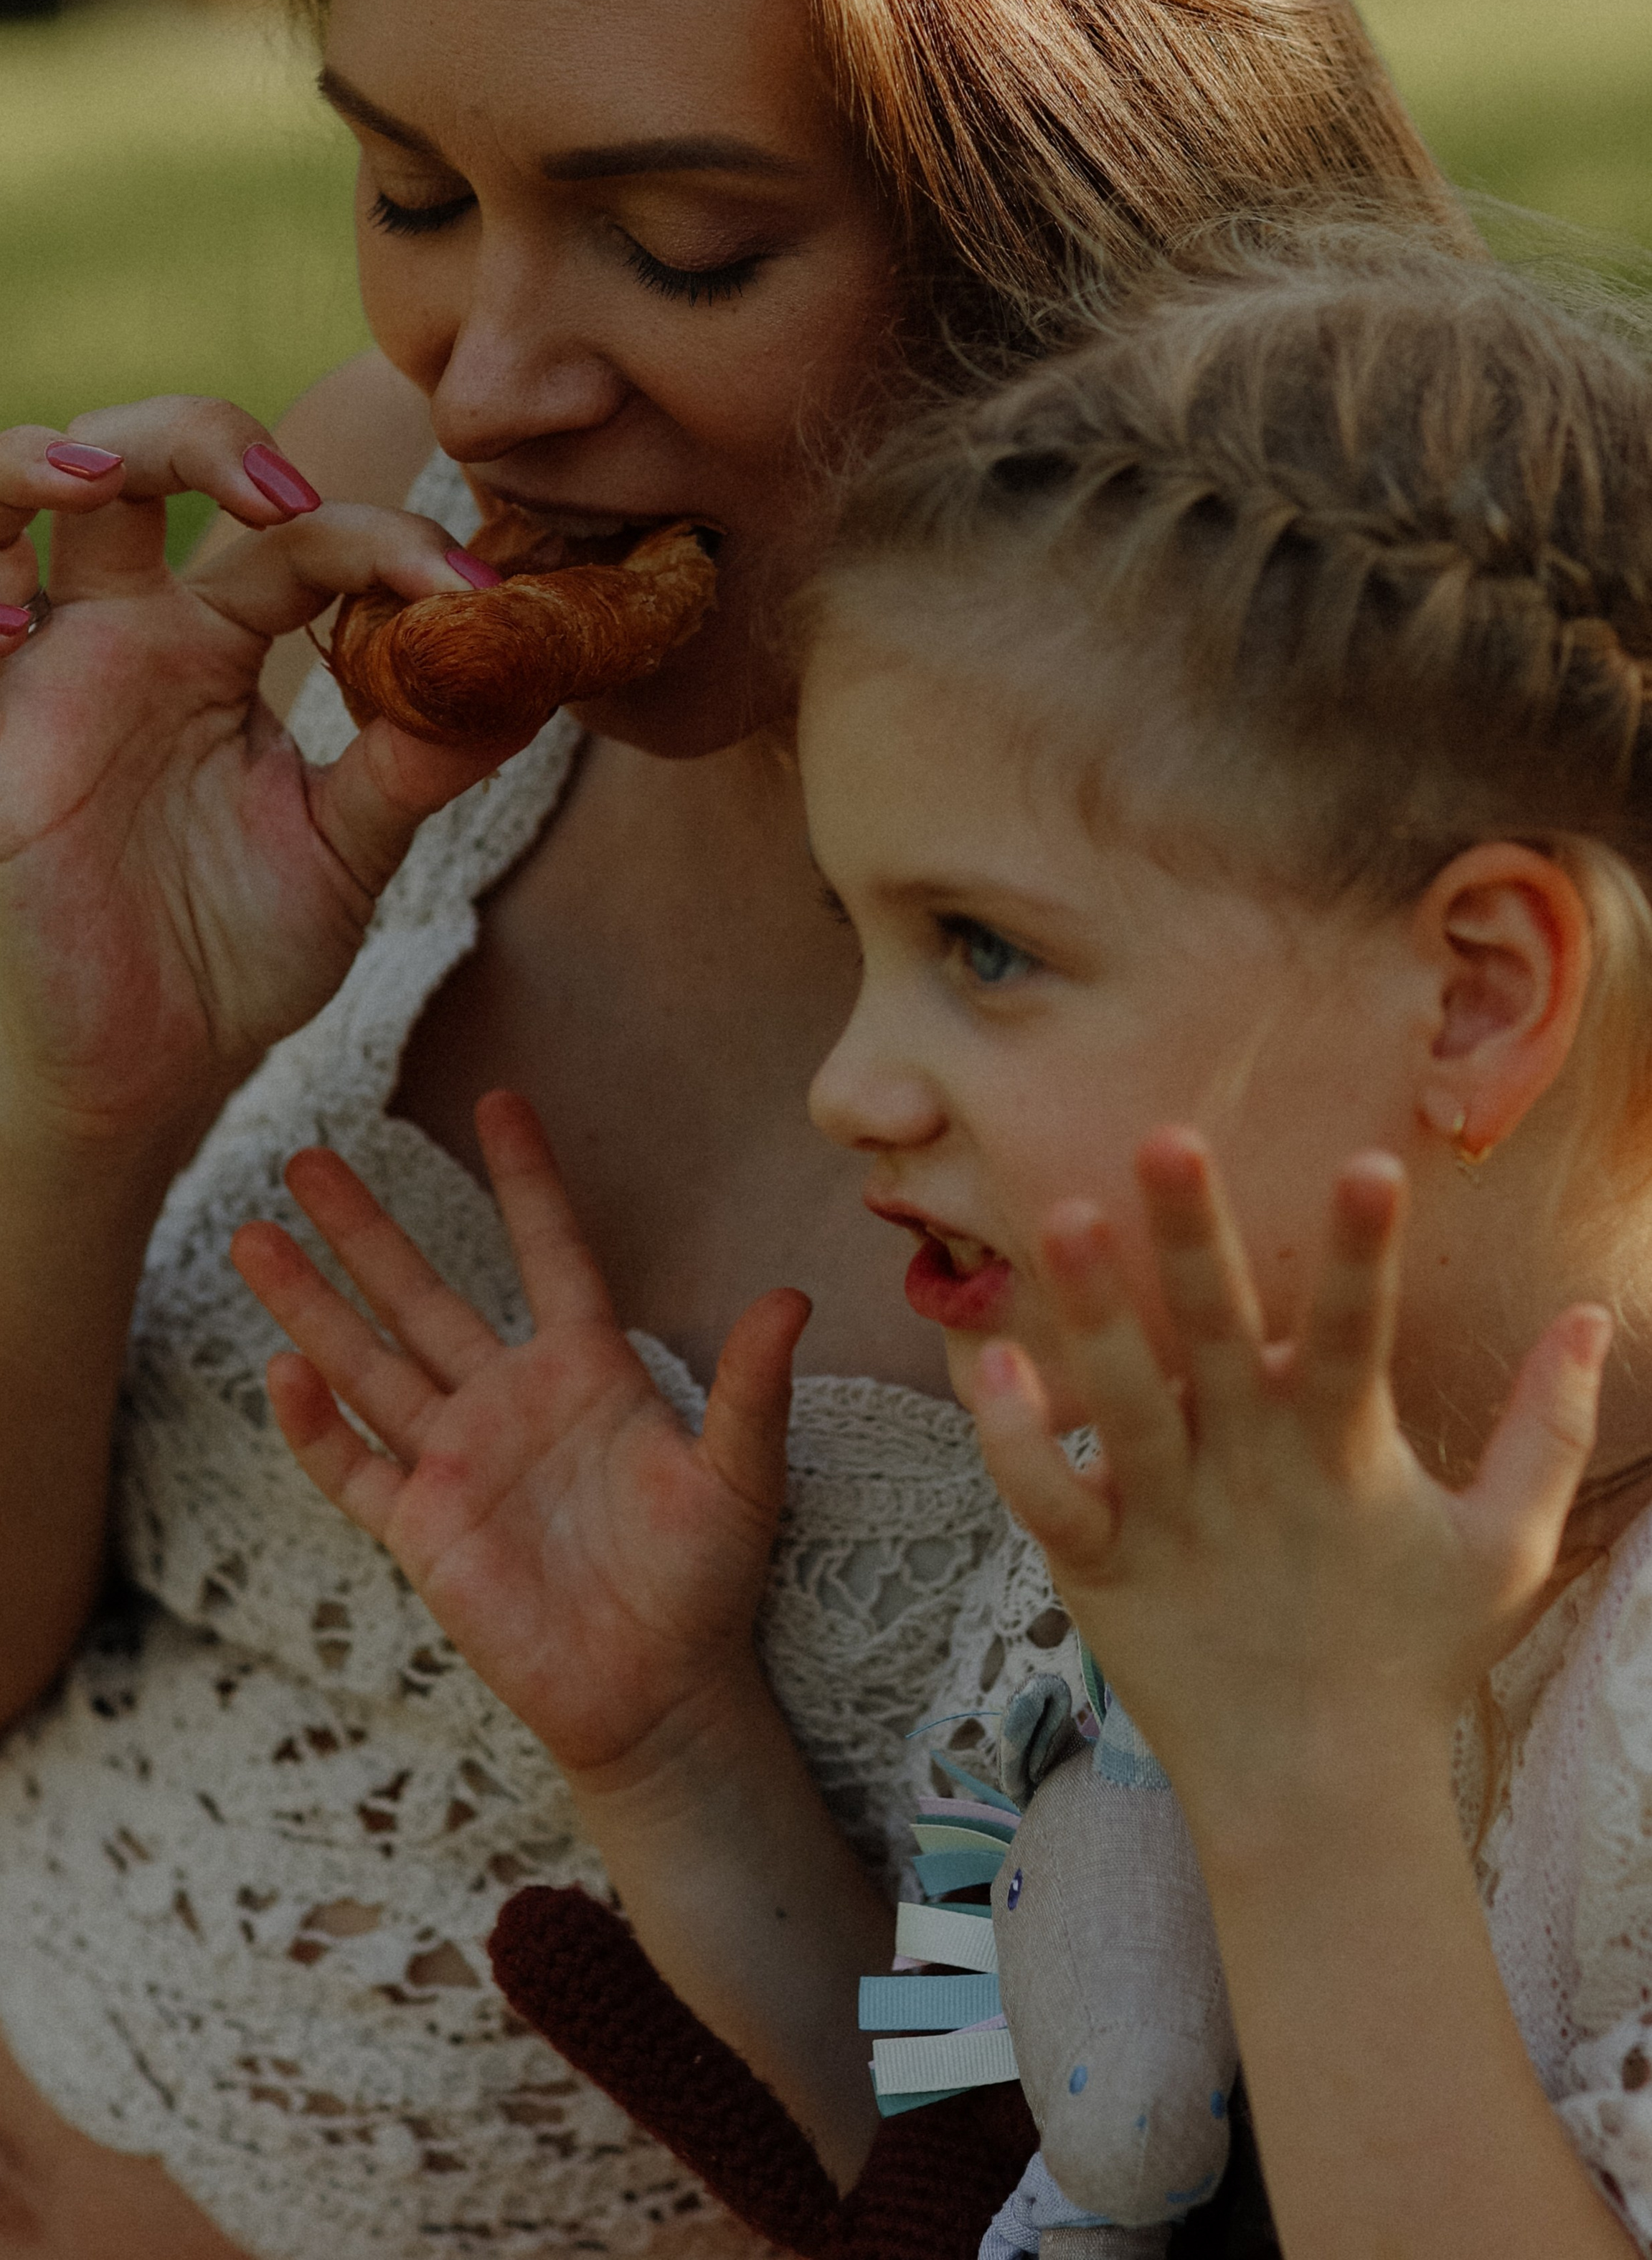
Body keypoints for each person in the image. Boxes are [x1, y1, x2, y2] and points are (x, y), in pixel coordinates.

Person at [0, 0, 1459, 2251]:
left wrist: (689, 1758)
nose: (492, 378)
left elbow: (1121, 2163)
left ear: (1083, 200)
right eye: (417, 190)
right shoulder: (386, 530)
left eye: (684, 237)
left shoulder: (1320, 979)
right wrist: (90, 1082)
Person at [265, 229, 1652, 2259]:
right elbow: (974, 2158)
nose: (855, 1088)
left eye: (985, 951)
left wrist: (1317, 1776)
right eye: (867, 944)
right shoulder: (1128, 1511)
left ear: (1472, 995)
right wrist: (673, 1747)